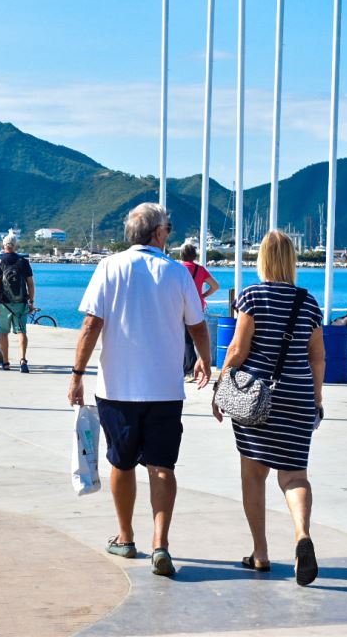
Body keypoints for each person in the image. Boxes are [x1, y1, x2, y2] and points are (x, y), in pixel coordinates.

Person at [68, 203, 212, 577]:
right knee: (162, 467)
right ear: (158, 233)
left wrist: (77, 374)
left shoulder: (108, 267)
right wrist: (204, 359)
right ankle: (160, 545)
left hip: (117, 387)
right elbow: (197, 325)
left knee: (121, 461)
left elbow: (91, 324)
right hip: (164, 388)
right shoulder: (177, 273)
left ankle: (125, 537)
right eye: (169, 227)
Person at [212, 229, 325, 586]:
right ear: (291, 260)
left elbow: (237, 349)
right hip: (298, 397)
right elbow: (318, 357)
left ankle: (260, 553)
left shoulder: (252, 296)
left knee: (254, 475)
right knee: (294, 476)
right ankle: (301, 535)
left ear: (261, 259)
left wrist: (220, 387)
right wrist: (316, 400)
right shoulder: (308, 302)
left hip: (256, 397)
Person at [0, 233, 36, 373]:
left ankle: (6, 362)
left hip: (4, 304)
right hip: (21, 303)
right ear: (15, 246)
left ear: (3, 246)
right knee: (21, 332)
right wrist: (31, 302)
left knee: (3, 333)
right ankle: (23, 360)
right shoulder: (23, 261)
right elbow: (31, 284)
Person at [180, 242, 220, 379]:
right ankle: (192, 367)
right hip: (197, 306)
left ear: (181, 255)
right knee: (193, 338)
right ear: (194, 256)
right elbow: (215, 286)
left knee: (185, 339)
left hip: (179, 307)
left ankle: (189, 370)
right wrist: (203, 295)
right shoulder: (200, 270)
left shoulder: (177, 268)